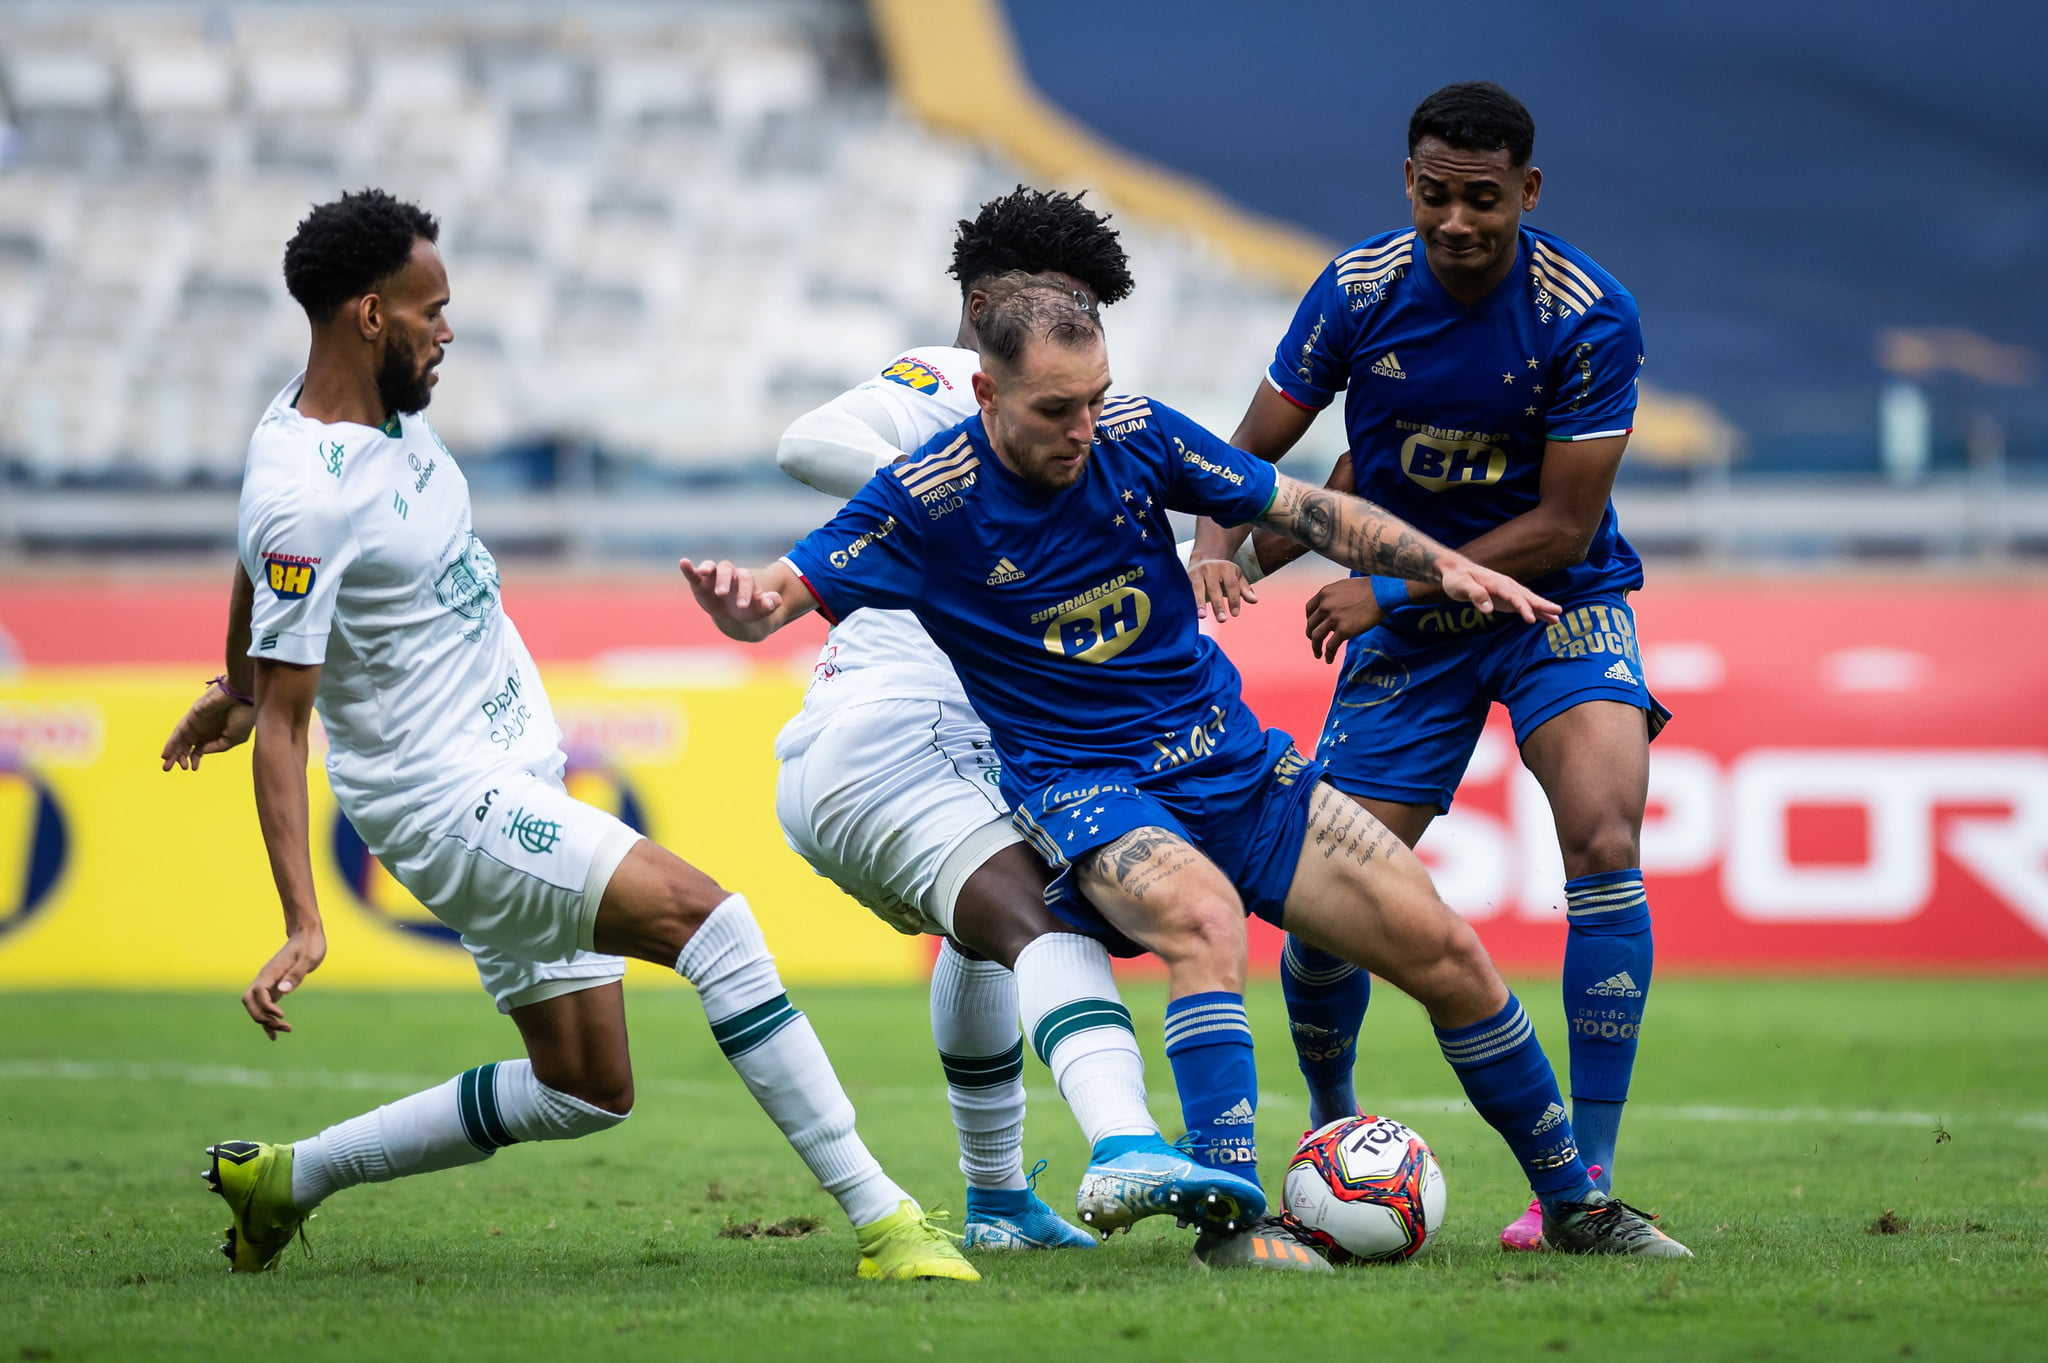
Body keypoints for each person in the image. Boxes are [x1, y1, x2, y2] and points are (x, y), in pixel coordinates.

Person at [682, 279, 1691, 1266]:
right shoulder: (924, 498)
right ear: (986, 396)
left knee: (1444, 949)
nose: (1084, 427)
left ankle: (1574, 1204)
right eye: (1054, 408)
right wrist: (746, 605)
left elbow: (1299, 504)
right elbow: (786, 586)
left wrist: (1440, 564)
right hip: (1091, 788)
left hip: (1236, 765)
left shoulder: (1133, 429)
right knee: (1203, 921)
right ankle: (1231, 1222)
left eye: (1093, 396)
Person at [158, 189, 973, 1281]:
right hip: (449, 803)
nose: (447, 328)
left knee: (586, 1087)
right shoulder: (305, 491)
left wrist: (238, 678)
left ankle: (286, 1179)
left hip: (507, 775)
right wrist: (302, 915)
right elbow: (288, 721)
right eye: (429, 309)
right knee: (711, 924)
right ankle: (887, 1221)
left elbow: (254, 575)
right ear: (366, 315)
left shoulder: (352, 425)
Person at [1189, 81, 1667, 1253]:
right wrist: (1212, 545)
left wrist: (1386, 583)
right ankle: (1332, 1133)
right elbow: (1249, 454)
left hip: (1552, 603)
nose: (1456, 221)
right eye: (1436, 195)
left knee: (1603, 836)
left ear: (1527, 193)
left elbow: (1559, 527)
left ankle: (1584, 1181)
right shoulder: (1354, 292)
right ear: (1408, 183)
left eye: (1484, 200)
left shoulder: (1586, 314)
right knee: (1329, 904)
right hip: (1410, 639)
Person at [772, 187, 1261, 1250]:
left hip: (946, 750)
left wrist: (1237, 553)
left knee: (994, 934)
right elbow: (806, 443)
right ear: (988, 306)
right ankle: (1125, 1143)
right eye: (1060, 306)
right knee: (1037, 922)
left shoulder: (1069, 445)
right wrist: (960, 497)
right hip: (893, 735)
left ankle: (997, 1201)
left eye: (1090, 317)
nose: (1075, 342)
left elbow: (1108, 573)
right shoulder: (940, 389)